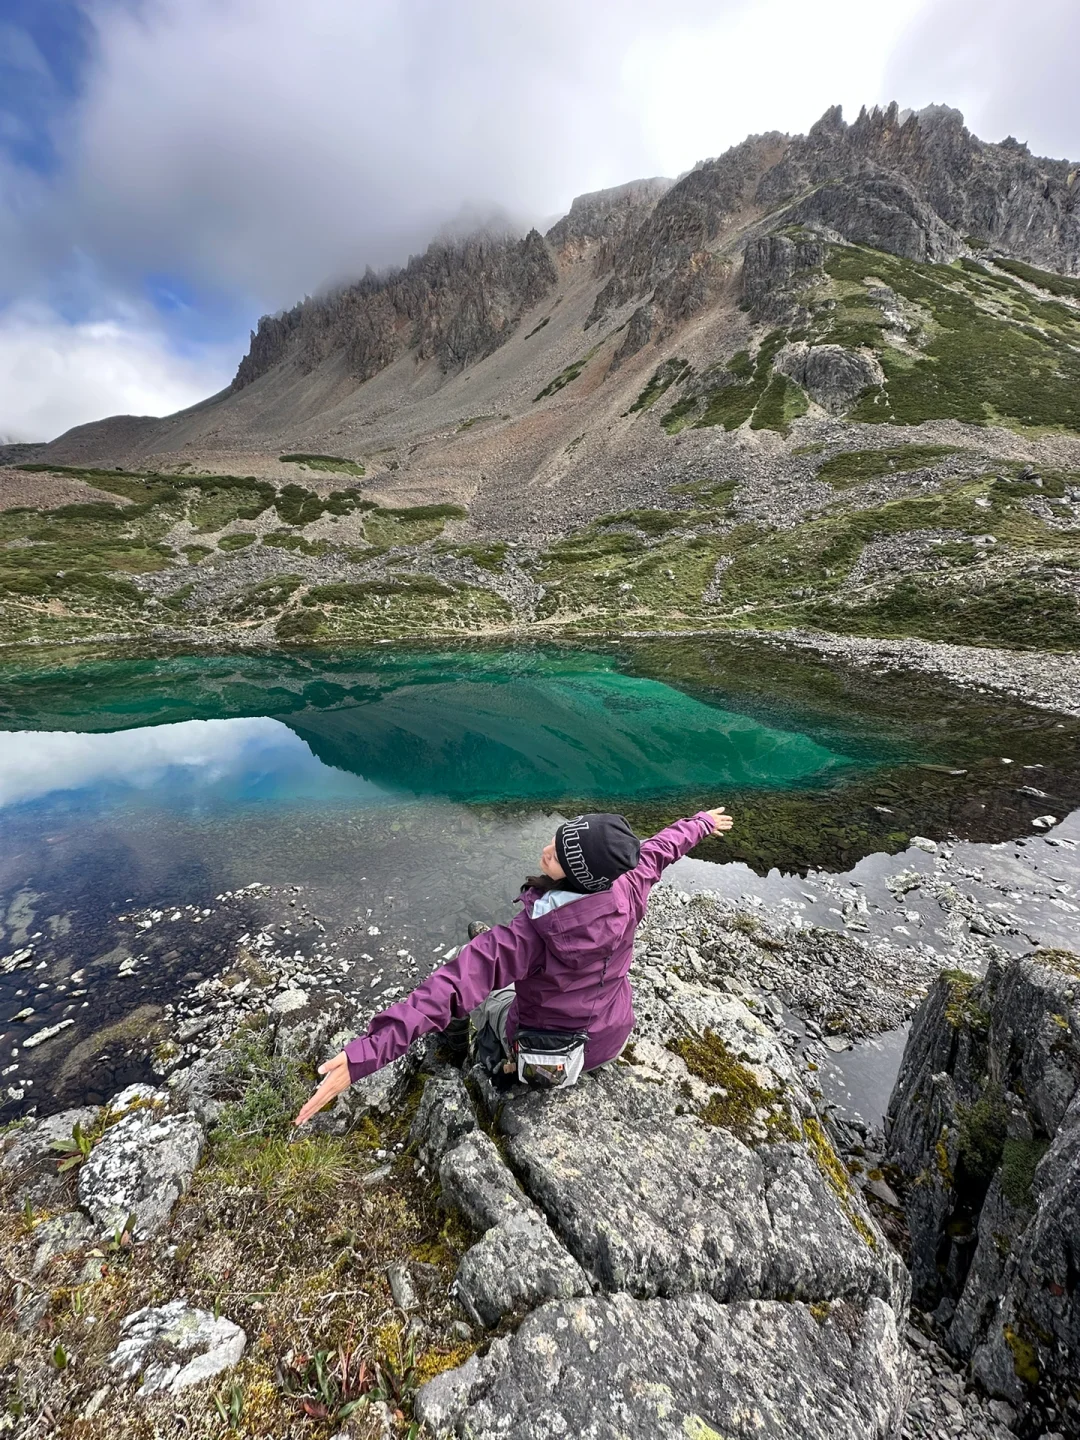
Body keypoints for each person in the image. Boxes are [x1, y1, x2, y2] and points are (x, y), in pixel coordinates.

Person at [294, 806, 732, 1125]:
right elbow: (658, 849)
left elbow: (449, 987)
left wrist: (363, 1056)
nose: (545, 851)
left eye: (558, 856)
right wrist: (701, 824)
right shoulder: (630, 884)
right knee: (493, 964)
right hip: (612, 1036)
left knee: (484, 994)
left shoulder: (529, 937)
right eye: (557, 839)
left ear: (577, 877)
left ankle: (482, 1055)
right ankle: (490, 960)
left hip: (553, 1053)